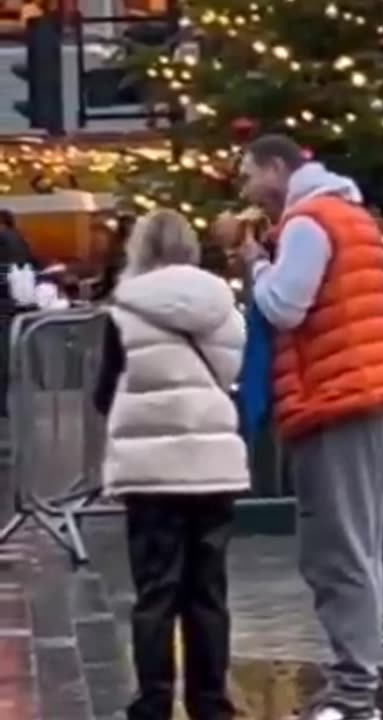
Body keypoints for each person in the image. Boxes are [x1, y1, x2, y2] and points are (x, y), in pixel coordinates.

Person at [236, 134, 383, 720]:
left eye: (250, 174)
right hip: (363, 390)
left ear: (277, 168)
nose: (247, 189)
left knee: (340, 551)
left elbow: (285, 306)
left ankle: (353, 692)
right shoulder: (347, 213)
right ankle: (354, 685)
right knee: (351, 545)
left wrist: (256, 263)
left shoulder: (309, 221)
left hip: (338, 395)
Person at [93, 209, 248, 720]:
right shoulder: (223, 309)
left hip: (150, 471)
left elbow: (104, 392)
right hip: (213, 466)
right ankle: (211, 702)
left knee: (156, 592)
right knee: (208, 593)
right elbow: (228, 372)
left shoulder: (123, 311)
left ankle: (154, 701)